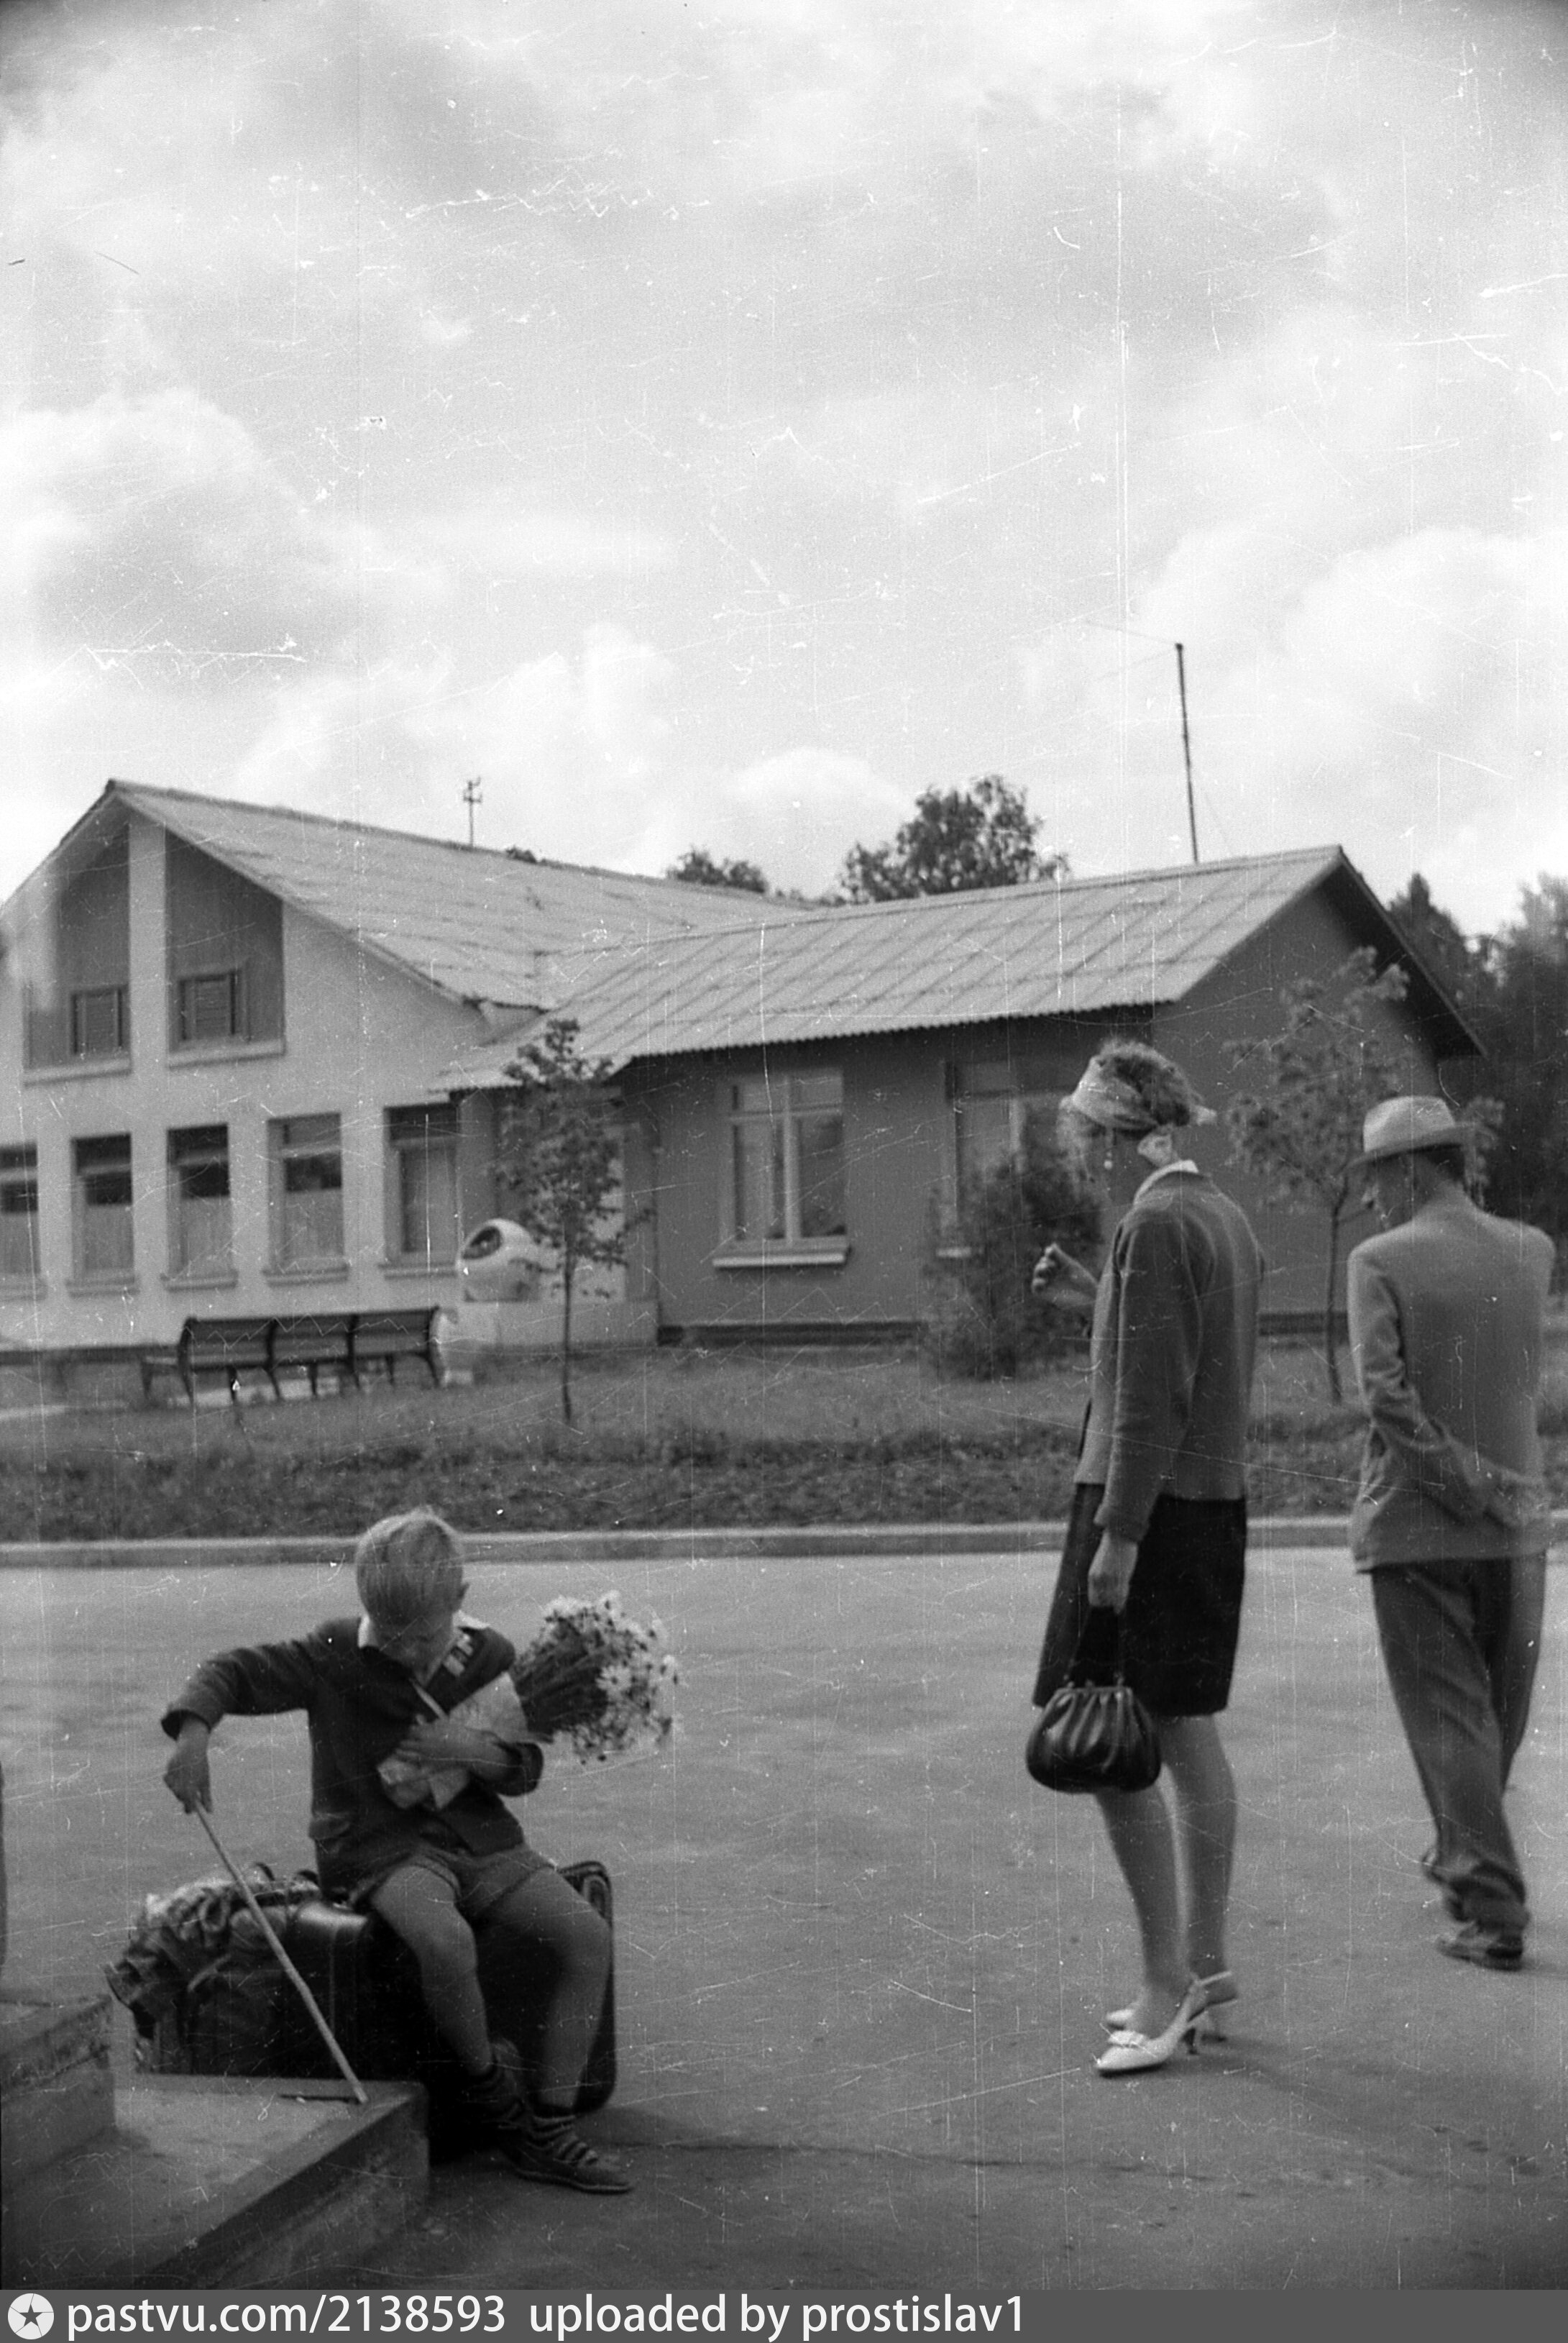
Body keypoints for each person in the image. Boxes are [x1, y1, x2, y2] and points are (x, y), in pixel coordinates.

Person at [162, 1507, 630, 2192]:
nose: (407, 1651)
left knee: (586, 1937)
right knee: (444, 1939)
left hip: (482, 1840)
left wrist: (474, 1751)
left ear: (460, 1599)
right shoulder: (334, 1651)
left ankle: (550, 2128)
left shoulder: (490, 1657)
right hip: (379, 1849)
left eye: (424, 1636)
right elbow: (232, 1671)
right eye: (391, 1635)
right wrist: (193, 1735)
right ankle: (491, 2092)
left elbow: (524, 1770)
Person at [1030, 1040, 1263, 2076]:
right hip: (1207, 1508)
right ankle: (1203, 1966)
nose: (1078, 1159)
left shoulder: (1155, 1222)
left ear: (1114, 1137)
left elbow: (1153, 1395)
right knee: (1184, 1731)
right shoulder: (1217, 1215)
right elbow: (1181, 1356)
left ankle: (1165, 1983)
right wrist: (1102, 1298)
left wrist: (1118, 1535)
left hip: (1145, 1509)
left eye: (1082, 1139)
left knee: (1106, 1745)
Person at [1347, 1095, 1554, 1972]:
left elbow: (1386, 1398)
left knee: (1451, 1723)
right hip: (1521, 1529)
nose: (1371, 1199)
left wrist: (1463, 1484)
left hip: (1419, 1528)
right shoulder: (1533, 1248)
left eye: (1376, 1178)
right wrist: (1503, 1487)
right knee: (1493, 1718)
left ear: (1407, 1169)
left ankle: (1493, 1911)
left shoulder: (1378, 1261)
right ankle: (1465, 1857)